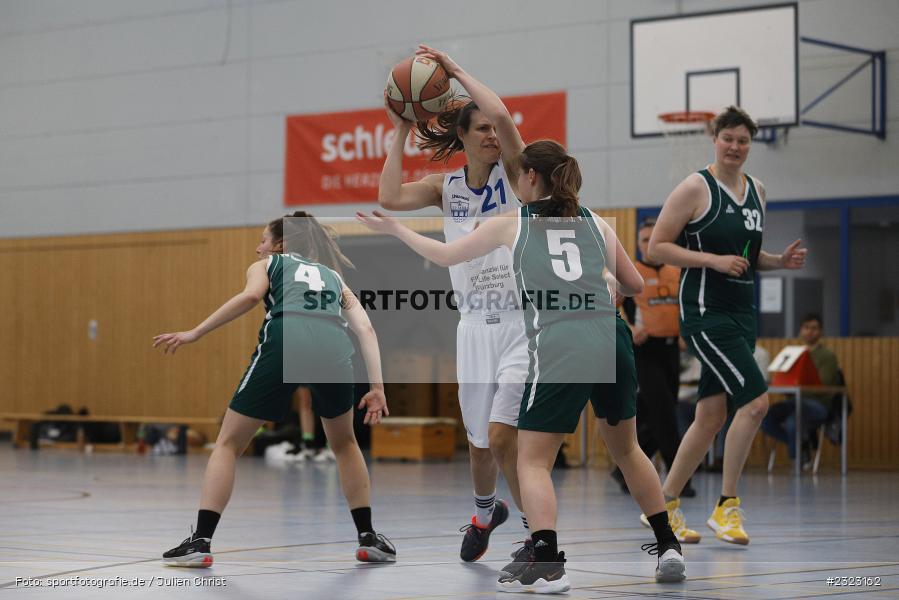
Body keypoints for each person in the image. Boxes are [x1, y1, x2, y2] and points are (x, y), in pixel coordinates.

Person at [361, 139, 686, 591]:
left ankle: (548, 563)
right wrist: (606, 282)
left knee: (531, 462)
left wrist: (397, 229)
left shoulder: (511, 222)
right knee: (628, 450)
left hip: (560, 341)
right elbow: (634, 285)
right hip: (610, 337)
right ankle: (668, 545)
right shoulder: (594, 221)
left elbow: (446, 256)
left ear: (531, 176)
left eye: (519, 174)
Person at [154, 211, 396, 567]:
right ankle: (368, 538)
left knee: (228, 444)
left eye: (263, 240)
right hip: (333, 343)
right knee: (345, 443)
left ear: (280, 244)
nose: (258, 248)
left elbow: (251, 297)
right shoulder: (334, 277)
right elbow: (366, 329)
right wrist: (377, 387)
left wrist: (196, 332)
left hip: (288, 335)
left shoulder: (269, 264)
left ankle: (200, 542)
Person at [378, 44, 528, 562]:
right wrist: (401, 129)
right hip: (473, 327)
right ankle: (485, 513)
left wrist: (459, 70)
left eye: (493, 129)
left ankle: (537, 533)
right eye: (480, 129)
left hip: (520, 323)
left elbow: (504, 116)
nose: (491, 135)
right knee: (480, 442)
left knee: (505, 438)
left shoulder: (518, 176)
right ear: (461, 135)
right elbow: (389, 198)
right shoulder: (446, 188)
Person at [645, 106, 807, 545]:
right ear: (714, 139)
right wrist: (711, 260)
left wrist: (779, 261)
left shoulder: (758, 190)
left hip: (741, 312)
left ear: (751, 145)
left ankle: (664, 505)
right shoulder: (695, 187)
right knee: (755, 404)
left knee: (711, 416)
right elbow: (657, 247)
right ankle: (727, 505)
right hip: (705, 312)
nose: (735, 147)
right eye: (728, 139)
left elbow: (749, 256)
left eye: (743, 141)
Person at [614, 217, 695, 498]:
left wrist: (686, 333)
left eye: (653, 239)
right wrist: (630, 327)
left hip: (671, 350)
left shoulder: (676, 270)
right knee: (664, 414)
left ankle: (623, 470)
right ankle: (679, 480)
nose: (649, 244)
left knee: (657, 413)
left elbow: (685, 305)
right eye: (644, 240)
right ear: (638, 244)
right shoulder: (631, 272)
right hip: (644, 351)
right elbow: (611, 305)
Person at [761, 313, 840, 464]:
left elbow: (824, 383)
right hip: (794, 402)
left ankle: (796, 457)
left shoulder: (827, 356)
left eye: (814, 328)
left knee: (793, 422)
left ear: (821, 332)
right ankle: (802, 444)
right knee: (765, 419)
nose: (809, 331)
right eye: (806, 327)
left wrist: (797, 384)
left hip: (818, 404)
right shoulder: (793, 354)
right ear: (800, 330)